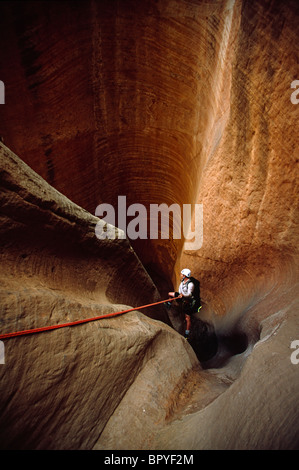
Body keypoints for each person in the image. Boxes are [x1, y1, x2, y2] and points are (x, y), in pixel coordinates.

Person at [168, 268, 201, 339]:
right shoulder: (183, 281)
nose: (180, 275)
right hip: (181, 297)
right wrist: (180, 294)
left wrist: (182, 295)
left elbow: (189, 294)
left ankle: (187, 334)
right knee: (170, 294)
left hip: (187, 301)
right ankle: (169, 304)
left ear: (184, 276)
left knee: (187, 318)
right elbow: (180, 288)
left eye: (181, 274)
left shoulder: (191, 284)